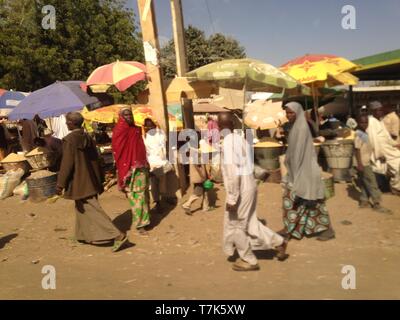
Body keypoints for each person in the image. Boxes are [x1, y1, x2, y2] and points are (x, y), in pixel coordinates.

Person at [218, 112, 288, 272]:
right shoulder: (240, 139)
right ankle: (278, 242)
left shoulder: (229, 143)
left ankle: (248, 259)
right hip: (248, 184)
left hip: (240, 189)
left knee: (237, 225)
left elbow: (232, 174)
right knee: (249, 223)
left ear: (219, 126)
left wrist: (232, 198)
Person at [56, 112, 127, 252]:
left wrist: (60, 184)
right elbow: (96, 159)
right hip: (90, 178)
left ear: (71, 123)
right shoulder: (87, 137)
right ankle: (81, 235)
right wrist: (100, 178)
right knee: (80, 206)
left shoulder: (69, 140)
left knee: (91, 208)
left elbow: (67, 164)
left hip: (79, 180)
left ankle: (118, 235)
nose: (65, 123)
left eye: (67, 121)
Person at [280, 102, 335, 241]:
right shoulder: (295, 127)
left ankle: (326, 229)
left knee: (305, 200)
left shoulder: (302, 127)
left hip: (304, 170)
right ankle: (292, 228)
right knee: (303, 201)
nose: (288, 115)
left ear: (298, 112)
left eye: (291, 112)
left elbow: (299, 152)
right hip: (297, 169)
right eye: (287, 112)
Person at [112, 108, 151, 232]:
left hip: (141, 167)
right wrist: (126, 168)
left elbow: (141, 148)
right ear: (121, 116)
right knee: (136, 197)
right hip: (130, 169)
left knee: (143, 195)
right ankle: (140, 224)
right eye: (126, 115)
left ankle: (145, 219)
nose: (129, 117)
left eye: (130, 114)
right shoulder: (119, 131)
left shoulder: (136, 129)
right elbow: (118, 151)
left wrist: (146, 162)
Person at [354, 115, 392, 214]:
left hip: (366, 161)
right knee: (372, 183)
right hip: (363, 163)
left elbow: (368, 147)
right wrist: (360, 164)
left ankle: (364, 201)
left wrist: (378, 156)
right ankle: (377, 203)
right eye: (362, 122)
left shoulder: (364, 133)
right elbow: (357, 150)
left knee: (365, 182)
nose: (365, 124)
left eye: (366, 122)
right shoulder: (359, 134)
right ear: (358, 122)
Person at [367, 101, 400, 195]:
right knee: (397, 166)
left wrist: (395, 144)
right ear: (373, 111)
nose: (380, 112)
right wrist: (379, 154)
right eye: (378, 110)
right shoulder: (371, 122)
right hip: (383, 152)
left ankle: (395, 184)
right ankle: (395, 187)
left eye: (381, 110)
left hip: (390, 149)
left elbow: (387, 137)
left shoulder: (380, 121)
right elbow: (374, 140)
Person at [143, 118, 171, 213]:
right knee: (155, 184)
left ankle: (159, 202)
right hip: (152, 164)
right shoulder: (146, 136)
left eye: (151, 126)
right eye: (148, 126)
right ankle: (158, 202)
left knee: (158, 184)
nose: (150, 128)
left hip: (159, 163)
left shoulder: (157, 134)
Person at [181, 141, 214, 215]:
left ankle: (206, 207)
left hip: (200, 177)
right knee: (198, 193)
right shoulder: (198, 154)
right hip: (199, 178)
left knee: (205, 191)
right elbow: (199, 167)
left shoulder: (197, 154)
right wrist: (204, 176)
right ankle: (187, 204)